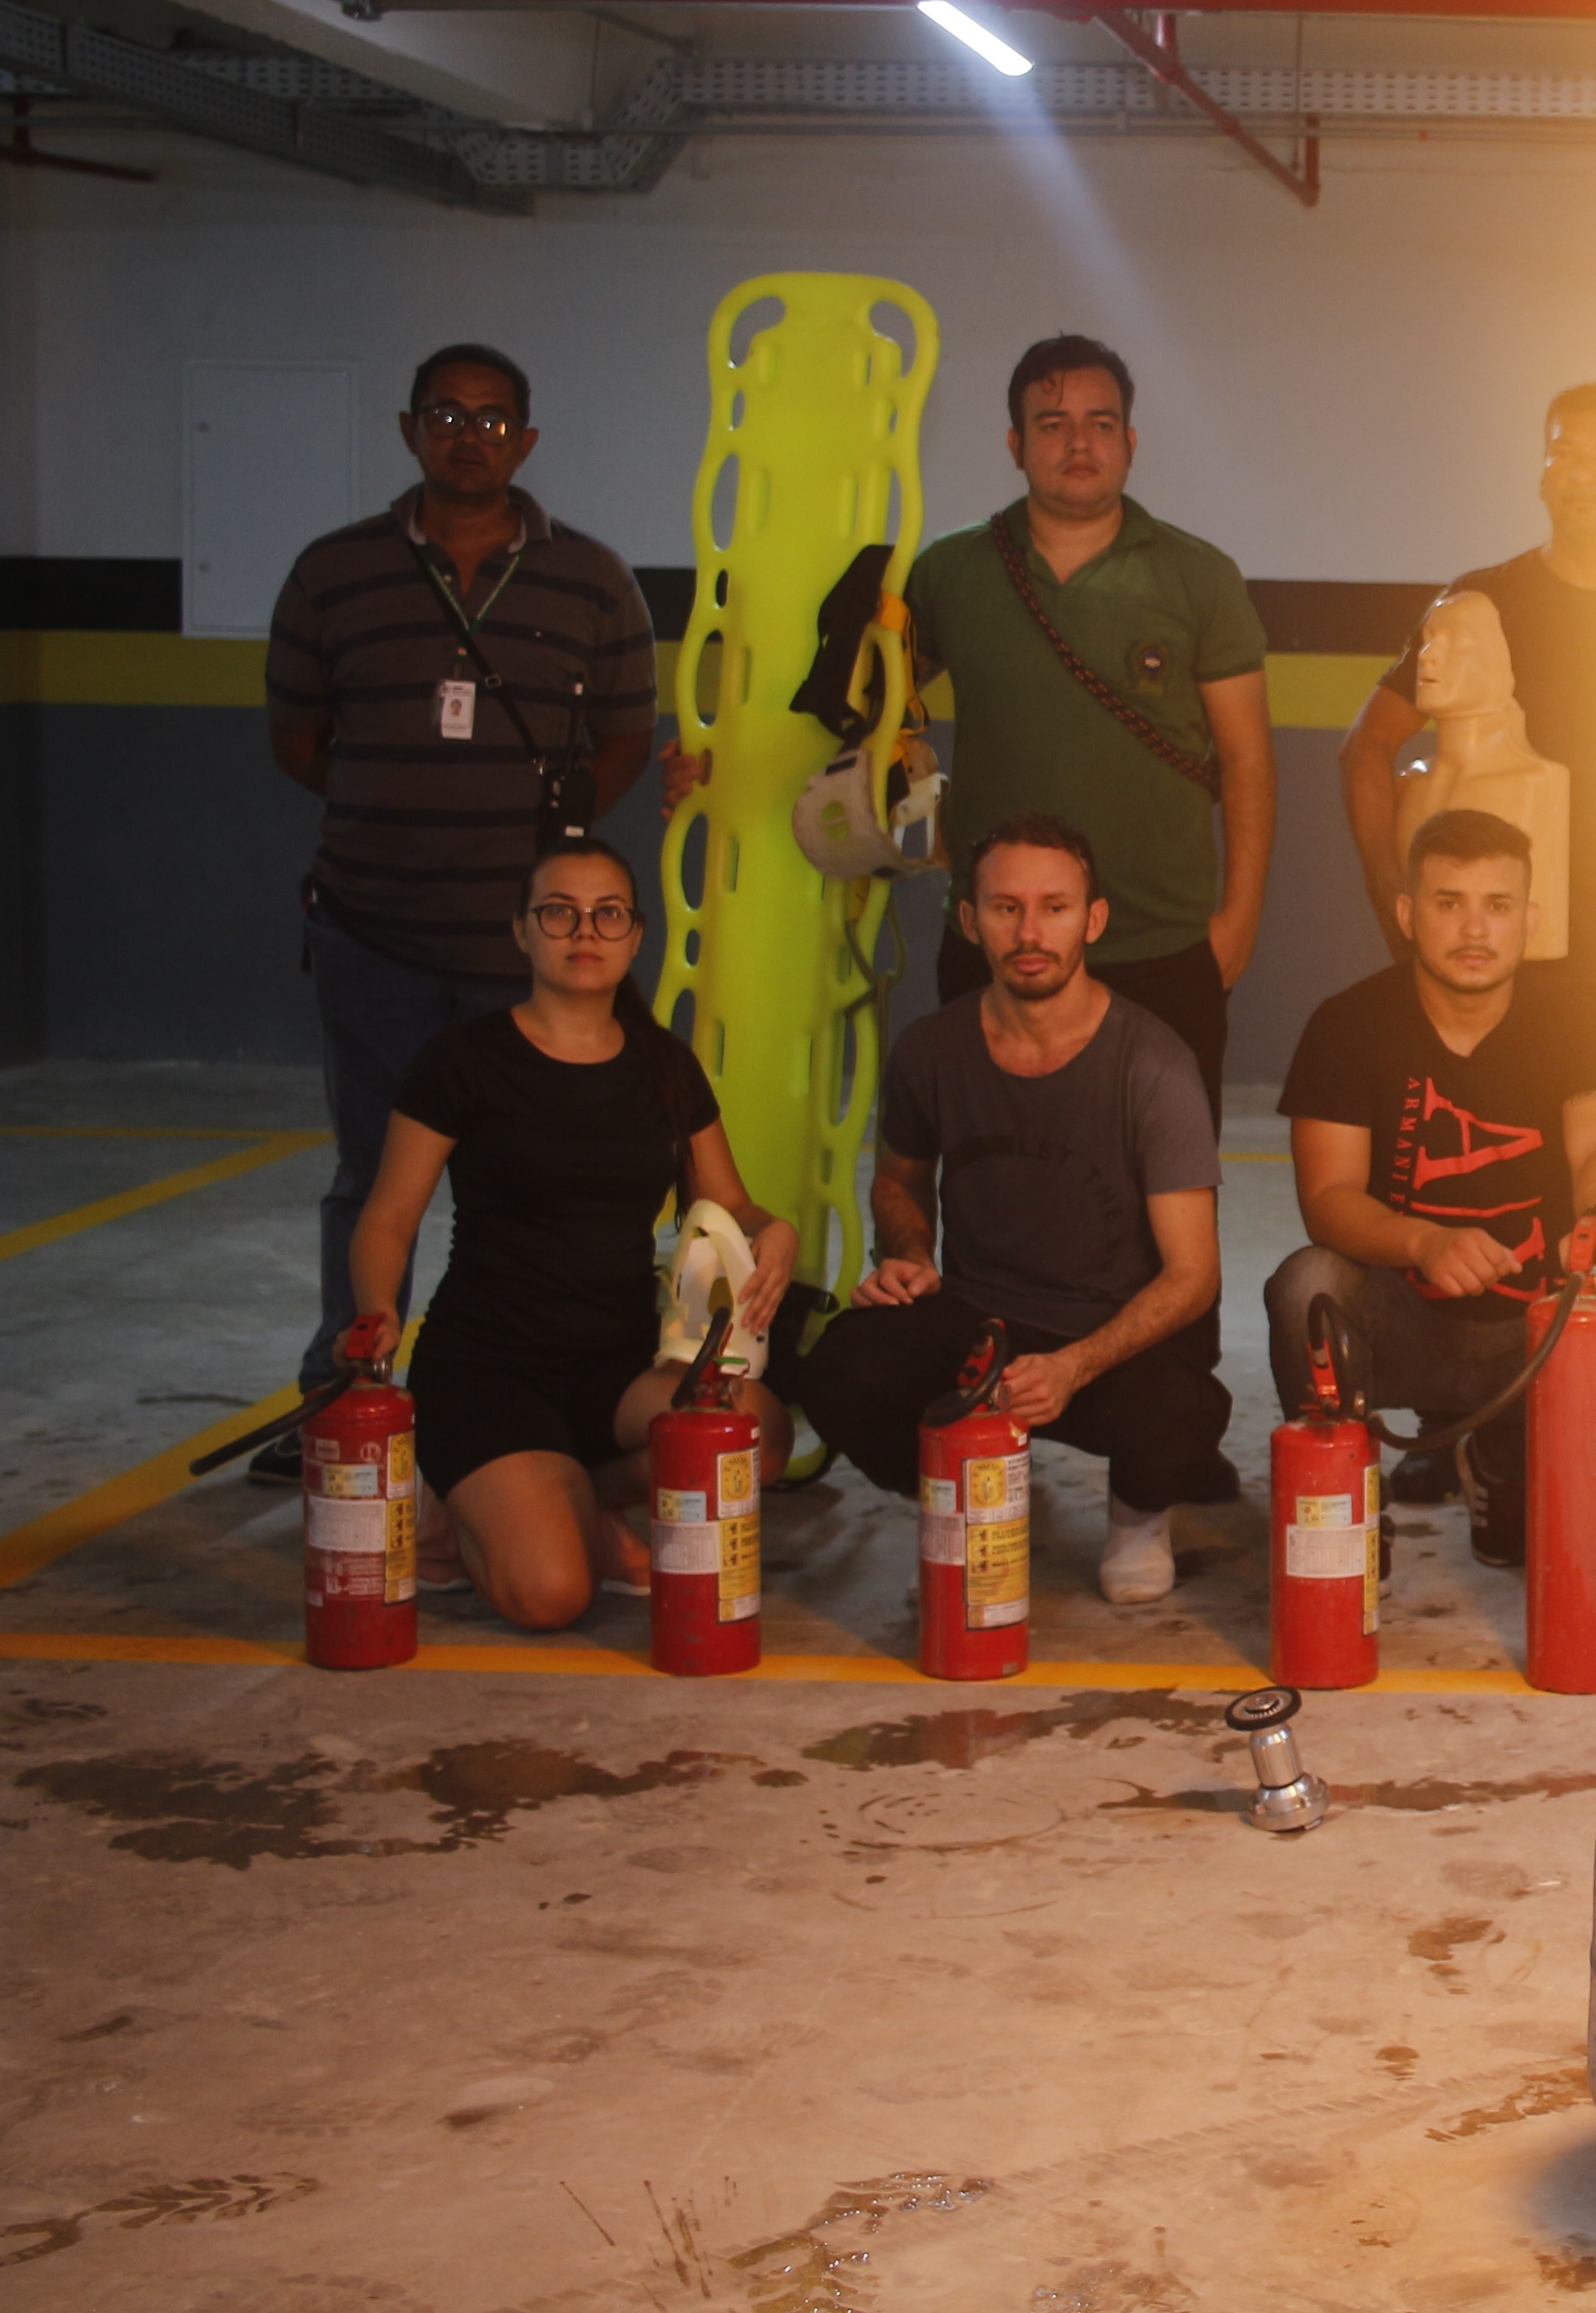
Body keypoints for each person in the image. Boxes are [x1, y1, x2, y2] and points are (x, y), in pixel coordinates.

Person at [662, 333, 1274, 1110]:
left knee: (1164, 1172)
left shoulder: (1199, 576)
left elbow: (1248, 760)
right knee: (993, 1166)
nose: (1078, 442)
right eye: (1052, 424)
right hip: (997, 940)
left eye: (1100, 423)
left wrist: (1238, 919)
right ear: (1016, 445)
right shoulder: (953, 571)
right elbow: (861, 715)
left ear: (1129, 441)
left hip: (1161, 941)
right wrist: (723, 763)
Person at [1337, 384, 1596, 1510]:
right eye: (1564, 450)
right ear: (1542, 470)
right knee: (1465, 1184)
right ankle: (1446, 1418)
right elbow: (1368, 748)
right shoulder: (1487, 601)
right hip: (1492, 964)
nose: (1583, 471)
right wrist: (1395, 900)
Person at [266, 343, 658, 1470]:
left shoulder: (593, 578)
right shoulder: (332, 572)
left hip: (532, 959)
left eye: (491, 420)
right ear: (409, 431)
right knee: (369, 1179)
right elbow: (298, 739)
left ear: (525, 442)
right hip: (372, 938)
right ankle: (346, 1395)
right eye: (445, 415)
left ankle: (560, 1391)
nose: (467, 436)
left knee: (551, 1181)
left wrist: (544, 854)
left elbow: (626, 735)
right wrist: (402, 816)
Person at [347, 841, 798, 1632]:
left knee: (756, 1436)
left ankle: (553, 1501)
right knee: (552, 1595)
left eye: (608, 914)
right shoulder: (462, 1061)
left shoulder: (664, 1065)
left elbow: (729, 1202)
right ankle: (478, 1504)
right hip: (489, 1368)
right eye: (559, 912)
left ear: (635, 935)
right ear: (522, 930)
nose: (585, 930)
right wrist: (377, 1313)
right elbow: (388, 1217)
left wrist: (777, 1231)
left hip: (617, 1365)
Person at [790, 815, 1232, 1606]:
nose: (1030, 933)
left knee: (1185, 1416)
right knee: (839, 1368)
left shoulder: (1153, 1063)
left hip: (1106, 1341)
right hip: (978, 1325)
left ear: (1093, 919)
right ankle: (965, 1489)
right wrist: (909, 1257)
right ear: (970, 920)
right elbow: (897, 1182)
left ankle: (1137, 1519)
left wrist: (1073, 1367)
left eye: (1055, 908)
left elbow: (1194, 1274)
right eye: (1006, 908)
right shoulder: (931, 1048)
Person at [1269, 809, 1596, 1568]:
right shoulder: (1346, 1024)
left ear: (1530, 921)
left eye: (1498, 906)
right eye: (1449, 903)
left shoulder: (1584, 1022)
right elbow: (1327, 1199)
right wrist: (1423, 1240)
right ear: (1408, 915)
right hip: (1406, 1318)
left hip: (1534, 1323)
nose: (1475, 930)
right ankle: (1350, 1512)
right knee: (1306, 1286)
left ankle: (1500, 1454)